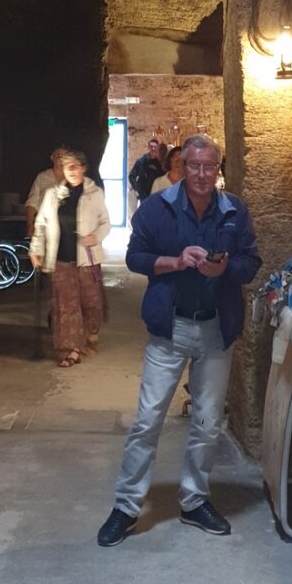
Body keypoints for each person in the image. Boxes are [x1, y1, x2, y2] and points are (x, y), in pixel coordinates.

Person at [97, 134, 261, 546]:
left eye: (210, 167)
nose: (202, 174)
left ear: (217, 169)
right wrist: (174, 261)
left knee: (207, 421)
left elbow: (251, 261)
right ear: (182, 167)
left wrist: (224, 270)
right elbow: (135, 257)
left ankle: (194, 499)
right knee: (148, 419)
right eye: (194, 166)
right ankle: (126, 505)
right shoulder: (158, 208)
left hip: (216, 329)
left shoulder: (234, 211)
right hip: (171, 328)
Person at [29, 149, 111, 367]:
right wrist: (36, 248)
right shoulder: (53, 194)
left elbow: (105, 222)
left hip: (87, 258)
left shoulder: (94, 193)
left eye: (76, 166)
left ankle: (90, 332)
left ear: (84, 168)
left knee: (92, 302)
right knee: (66, 305)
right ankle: (71, 349)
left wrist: (96, 237)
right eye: (67, 167)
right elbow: (41, 223)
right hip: (61, 257)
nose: (72, 171)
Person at [24, 147, 66, 238]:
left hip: (65, 228)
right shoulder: (42, 177)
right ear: (52, 158)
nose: (62, 160)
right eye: (59, 156)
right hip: (44, 227)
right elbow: (31, 203)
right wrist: (30, 226)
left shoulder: (72, 178)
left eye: (65, 156)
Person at [128, 138, 164, 205]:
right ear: (148, 147)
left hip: (156, 194)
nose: (153, 149)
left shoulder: (161, 163)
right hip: (143, 195)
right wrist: (138, 188)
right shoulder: (141, 161)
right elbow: (131, 176)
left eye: (155, 147)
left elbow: (164, 177)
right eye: (151, 146)